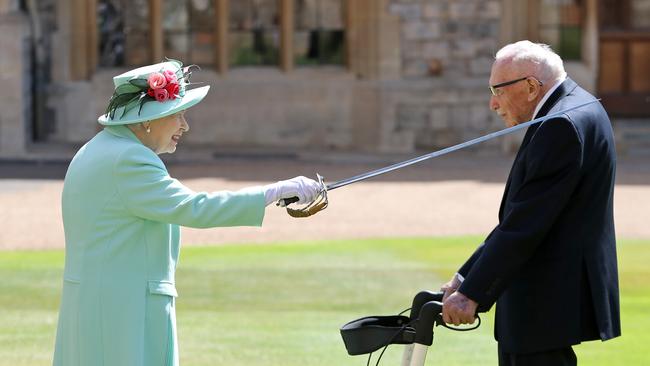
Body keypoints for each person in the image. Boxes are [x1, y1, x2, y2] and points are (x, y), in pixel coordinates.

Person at [52, 60, 321, 366]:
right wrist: (273, 193)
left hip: (98, 306)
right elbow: (195, 208)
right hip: (123, 312)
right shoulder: (129, 159)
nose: (184, 125)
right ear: (146, 121)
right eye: (177, 114)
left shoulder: (97, 148)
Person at [440, 41, 620, 365]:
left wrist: (471, 294)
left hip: (544, 299)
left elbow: (525, 225)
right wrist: (465, 277)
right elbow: (524, 215)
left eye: (498, 90)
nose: (493, 103)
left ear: (532, 87)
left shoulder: (560, 125)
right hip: (548, 298)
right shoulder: (576, 105)